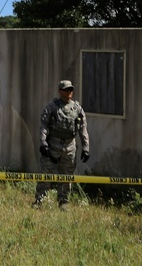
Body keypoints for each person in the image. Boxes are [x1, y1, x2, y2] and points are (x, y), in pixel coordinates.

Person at [34, 79, 90, 208]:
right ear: (60, 91)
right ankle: (40, 201)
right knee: (46, 174)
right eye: (67, 89)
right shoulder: (51, 107)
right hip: (53, 144)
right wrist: (43, 144)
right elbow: (44, 125)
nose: (70, 92)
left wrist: (86, 148)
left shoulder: (77, 109)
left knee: (67, 176)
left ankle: (63, 202)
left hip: (70, 146)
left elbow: (83, 129)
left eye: (71, 89)